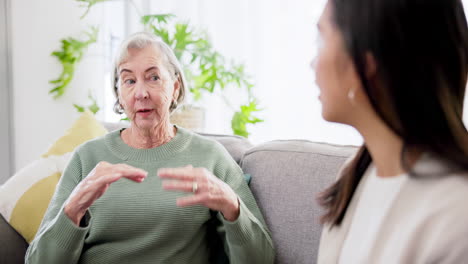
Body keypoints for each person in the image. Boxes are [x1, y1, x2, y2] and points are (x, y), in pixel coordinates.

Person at [25, 32, 275, 264]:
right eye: (129, 81)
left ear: (175, 87)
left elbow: (261, 258)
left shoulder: (210, 156)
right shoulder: (86, 157)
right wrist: (74, 208)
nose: (141, 93)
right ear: (119, 94)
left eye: (154, 77)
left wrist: (232, 206)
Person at [313, 0, 468, 263]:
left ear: (365, 64)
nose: (313, 63)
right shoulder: (357, 174)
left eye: (322, 39)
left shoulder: (456, 215)